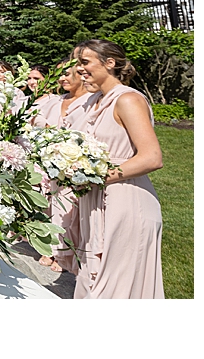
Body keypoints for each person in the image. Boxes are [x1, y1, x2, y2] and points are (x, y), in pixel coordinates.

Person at [71, 39, 164, 299]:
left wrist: (94, 176)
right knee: (91, 282)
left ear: (109, 63)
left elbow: (152, 157)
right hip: (94, 203)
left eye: (85, 62)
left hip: (125, 202)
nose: (80, 69)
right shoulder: (92, 102)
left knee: (114, 290)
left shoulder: (127, 100)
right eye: (78, 64)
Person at [32, 61, 94, 273]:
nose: (62, 79)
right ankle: (52, 248)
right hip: (50, 162)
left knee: (68, 210)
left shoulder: (89, 102)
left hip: (73, 162)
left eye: (67, 74)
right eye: (60, 75)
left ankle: (66, 252)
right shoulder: (56, 101)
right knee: (51, 207)